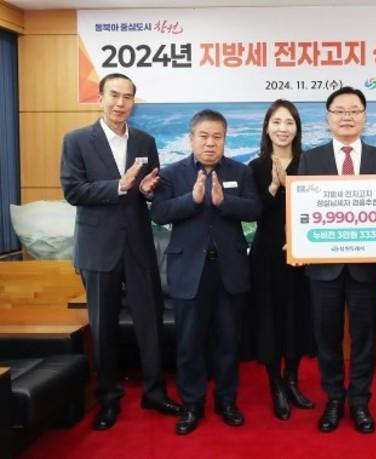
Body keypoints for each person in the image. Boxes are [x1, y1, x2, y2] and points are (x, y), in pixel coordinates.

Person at [60, 73, 182, 431]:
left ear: (133, 102)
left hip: (139, 246)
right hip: (98, 248)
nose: (120, 103)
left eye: (127, 97)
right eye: (114, 95)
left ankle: (154, 392)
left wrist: (145, 190)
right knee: (103, 327)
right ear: (100, 98)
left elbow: (151, 191)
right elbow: (73, 190)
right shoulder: (76, 140)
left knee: (150, 322)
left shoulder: (145, 140)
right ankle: (109, 399)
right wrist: (118, 185)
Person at [150, 109, 262, 435]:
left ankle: (227, 401)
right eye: (204, 136)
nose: (210, 143)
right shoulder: (172, 174)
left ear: (225, 139)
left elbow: (254, 209)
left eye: (217, 137)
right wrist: (193, 199)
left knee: (228, 341)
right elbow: (159, 213)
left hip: (229, 270)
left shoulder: (241, 171)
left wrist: (224, 201)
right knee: (189, 342)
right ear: (192, 138)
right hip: (189, 270)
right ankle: (192, 404)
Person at [298, 87, 376, 434]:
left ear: (364, 116)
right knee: (327, 338)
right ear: (328, 117)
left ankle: (360, 401)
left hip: (366, 269)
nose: (347, 117)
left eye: (354, 110)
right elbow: (301, 210)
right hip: (322, 269)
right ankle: (334, 399)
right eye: (339, 111)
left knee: (365, 338)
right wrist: (298, 243)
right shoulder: (310, 159)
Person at [248, 100, 315, 420]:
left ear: (297, 128)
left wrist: (294, 187)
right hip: (268, 255)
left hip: (304, 253)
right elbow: (253, 213)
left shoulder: (310, 162)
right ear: (267, 128)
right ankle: (275, 384)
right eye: (276, 122)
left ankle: (292, 380)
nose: (283, 128)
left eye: (289, 122)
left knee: (297, 317)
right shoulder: (255, 167)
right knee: (270, 318)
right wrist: (275, 186)